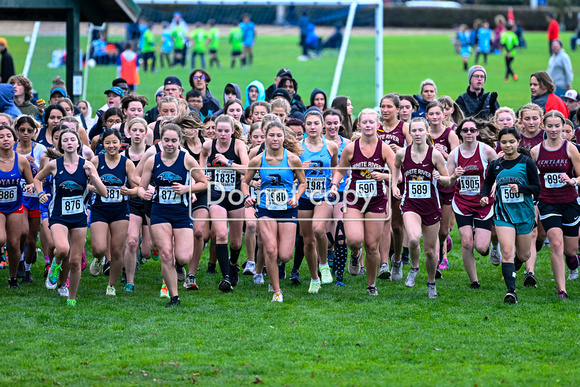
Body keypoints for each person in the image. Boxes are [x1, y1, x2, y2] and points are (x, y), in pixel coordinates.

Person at [35, 128, 107, 306]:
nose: (68, 142)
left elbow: (103, 192)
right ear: (60, 145)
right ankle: (55, 264)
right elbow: (37, 179)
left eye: (72, 139)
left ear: (78, 143)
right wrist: (40, 194)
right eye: (64, 140)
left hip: (79, 217)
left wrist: (92, 177)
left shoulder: (87, 165)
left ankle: (71, 298)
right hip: (58, 215)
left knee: (75, 261)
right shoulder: (54, 165)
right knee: (61, 249)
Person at [139, 123, 207, 307]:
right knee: (166, 254)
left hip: (181, 212)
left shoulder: (187, 159)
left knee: (183, 257)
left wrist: (187, 188)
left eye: (174, 141)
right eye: (166, 140)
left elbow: (203, 183)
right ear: (160, 141)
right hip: (159, 211)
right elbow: (141, 186)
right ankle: (174, 297)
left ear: (180, 141)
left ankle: (178, 268)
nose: (169, 144)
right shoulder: (153, 160)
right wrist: (143, 193)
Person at [329, 109, 395, 295]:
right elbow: (341, 171)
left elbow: (396, 174)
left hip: (376, 201)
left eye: (371, 122)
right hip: (354, 199)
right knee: (354, 240)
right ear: (359, 125)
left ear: (378, 125)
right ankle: (355, 254)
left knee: (372, 246)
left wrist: (384, 175)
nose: (367, 125)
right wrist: (334, 185)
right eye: (364, 122)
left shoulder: (384, 148)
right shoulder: (350, 148)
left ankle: (371, 284)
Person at [391, 117, 457, 298]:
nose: (417, 134)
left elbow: (448, 182)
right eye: (414, 130)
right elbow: (395, 167)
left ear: (426, 131)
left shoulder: (434, 155)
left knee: (429, 251)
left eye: (421, 130)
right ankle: (414, 267)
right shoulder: (403, 153)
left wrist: (442, 177)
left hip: (431, 206)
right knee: (412, 239)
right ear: (410, 132)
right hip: (410, 204)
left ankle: (431, 282)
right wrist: (395, 185)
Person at [242, 121, 305, 302]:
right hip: (266, 209)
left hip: (287, 209)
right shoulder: (257, 160)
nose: (275, 138)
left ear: (284, 137)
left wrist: (296, 197)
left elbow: (302, 183)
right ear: (265, 136)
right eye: (271, 135)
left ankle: (275, 269)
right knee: (270, 249)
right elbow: (245, 182)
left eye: (279, 135)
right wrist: (247, 196)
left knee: (284, 254)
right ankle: (277, 290)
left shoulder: (292, 159)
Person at [480, 127, 540, 304]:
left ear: (518, 142)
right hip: (503, 214)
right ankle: (511, 291)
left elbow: (537, 189)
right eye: (504, 142)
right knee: (507, 251)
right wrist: (484, 196)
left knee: (523, 255)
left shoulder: (526, 163)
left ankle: (516, 265)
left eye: (511, 141)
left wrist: (520, 188)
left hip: (524, 214)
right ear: (500, 143)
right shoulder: (495, 164)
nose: (508, 145)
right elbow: (488, 182)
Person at [530, 110, 580, 299]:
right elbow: (531, 177)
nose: (553, 129)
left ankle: (573, 261)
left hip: (569, 202)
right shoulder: (536, 151)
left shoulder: (570, 148)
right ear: (543, 126)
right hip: (548, 203)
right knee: (556, 244)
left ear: (562, 126)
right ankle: (562, 290)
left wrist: (572, 181)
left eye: (557, 126)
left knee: (570, 249)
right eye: (549, 126)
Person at [199, 115, 249, 292]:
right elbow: (202, 156)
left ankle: (233, 263)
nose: (222, 134)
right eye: (219, 130)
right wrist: (202, 173)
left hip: (235, 197)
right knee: (220, 235)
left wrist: (227, 162)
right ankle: (226, 277)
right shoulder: (208, 145)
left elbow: (247, 169)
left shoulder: (238, 145)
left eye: (226, 131)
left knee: (235, 243)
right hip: (216, 197)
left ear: (232, 132)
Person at [446, 118, 497, 288]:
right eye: (465, 130)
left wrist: (494, 185)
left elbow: (500, 171)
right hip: (462, 203)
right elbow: (448, 182)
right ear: (460, 132)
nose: (469, 133)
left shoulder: (486, 151)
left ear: (477, 132)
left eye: (472, 130)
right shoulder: (455, 154)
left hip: (483, 202)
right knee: (467, 242)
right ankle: (474, 281)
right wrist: (454, 176)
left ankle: (485, 242)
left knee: (481, 248)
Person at [88, 129, 138, 295]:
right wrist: (94, 188)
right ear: (103, 144)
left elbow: (136, 186)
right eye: (108, 142)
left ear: (120, 144)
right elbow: (83, 183)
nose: (111, 146)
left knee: (117, 250)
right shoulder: (95, 161)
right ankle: (98, 258)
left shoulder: (127, 163)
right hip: (99, 209)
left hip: (120, 210)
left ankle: (112, 285)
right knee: (99, 248)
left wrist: (130, 191)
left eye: (114, 142)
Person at [296, 110, 338, 293]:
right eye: (309, 124)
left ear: (322, 126)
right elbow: (289, 173)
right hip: (304, 196)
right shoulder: (297, 148)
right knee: (308, 241)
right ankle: (314, 278)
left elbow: (337, 167)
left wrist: (334, 185)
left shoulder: (331, 147)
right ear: (305, 126)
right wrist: (299, 168)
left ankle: (324, 264)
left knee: (318, 228)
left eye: (316, 123)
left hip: (324, 196)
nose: (312, 127)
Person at [426, 101, 459, 272]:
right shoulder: (423, 134)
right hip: (428, 183)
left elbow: (457, 158)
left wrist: (443, 153)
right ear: (427, 116)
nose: (435, 117)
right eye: (431, 114)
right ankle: (439, 255)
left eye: (438, 114)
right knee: (433, 222)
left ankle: (443, 248)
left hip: (446, 183)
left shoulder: (450, 134)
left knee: (444, 229)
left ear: (443, 115)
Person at [14, 116, 47, 284]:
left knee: (32, 240)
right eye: (22, 130)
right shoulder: (11, 148)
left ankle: (27, 269)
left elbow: (45, 175)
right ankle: (19, 260)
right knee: (22, 232)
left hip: (34, 198)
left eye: (29, 130)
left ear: (35, 131)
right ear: (17, 131)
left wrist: (33, 166)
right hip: (18, 198)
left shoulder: (40, 149)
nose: (26, 133)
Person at [0, 125, 34, 288]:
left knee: (14, 244)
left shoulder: (21, 160)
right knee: (1, 239)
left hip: (15, 207)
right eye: (1, 136)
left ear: (14, 139)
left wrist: (30, 187)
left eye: (8, 136)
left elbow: (32, 183)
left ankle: (12, 278)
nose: (5, 139)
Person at [121, 118, 152, 291]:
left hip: (149, 202)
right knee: (131, 241)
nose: (138, 134)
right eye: (134, 130)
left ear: (146, 133)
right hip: (131, 203)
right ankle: (129, 279)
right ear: (128, 132)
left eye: (141, 131)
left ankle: (143, 248)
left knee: (147, 251)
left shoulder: (152, 153)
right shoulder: (123, 154)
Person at [323, 108, 351, 286]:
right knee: (325, 235)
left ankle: (339, 275)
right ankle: (325, 262)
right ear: (323, 124)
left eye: (335, 123)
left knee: (341, 234)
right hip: (321, 193)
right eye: (329, 123)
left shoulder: (348, 144)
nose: (332, 126)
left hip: (342, 192)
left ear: (340, 124)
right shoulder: (314, 143)